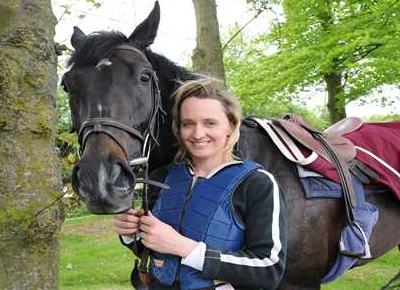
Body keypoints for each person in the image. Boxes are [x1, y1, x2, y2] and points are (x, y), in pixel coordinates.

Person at [114, 77, 287, 290]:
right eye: (188, 124)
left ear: (230, 126)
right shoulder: (161, 177)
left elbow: (269, 269)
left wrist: (184, 247)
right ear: (178, 128)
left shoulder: (257, 184)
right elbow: (152, 251)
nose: (197, 134)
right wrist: (131, 234)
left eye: (210, 123)